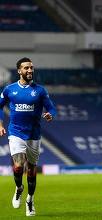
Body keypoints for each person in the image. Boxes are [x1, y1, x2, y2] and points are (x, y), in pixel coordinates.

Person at [0, 57, 56, 216]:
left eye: (31, 68)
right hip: (16, 131)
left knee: (31, 171)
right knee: (18, 166)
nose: (30, 70)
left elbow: (51, 109)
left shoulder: (40, 90)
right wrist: (0, 124)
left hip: (34, 134)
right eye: (26, 68)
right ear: (19, 71)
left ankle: (30, 200)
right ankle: (19, 188)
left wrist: (50, 115)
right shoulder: (9, 89)